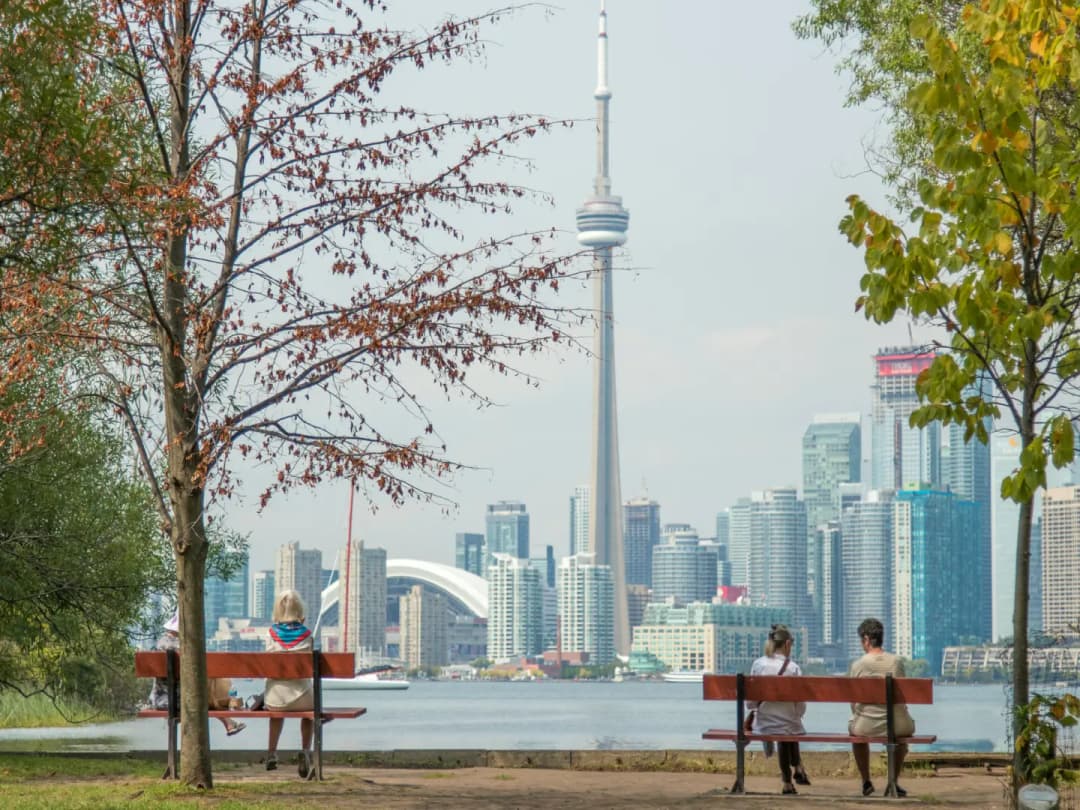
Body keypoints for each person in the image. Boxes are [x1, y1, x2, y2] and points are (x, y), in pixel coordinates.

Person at [147, 612, 246, 736]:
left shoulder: (159, 645)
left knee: (203, 694)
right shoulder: (186, 647)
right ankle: (229, 722)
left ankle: (229, 723)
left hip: (159, 701)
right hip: (183, 701)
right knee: (206, 695)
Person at [849, 617, 915, 797]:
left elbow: (853, 703)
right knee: (901, 733)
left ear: (867, 640)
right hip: (898, 724)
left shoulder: (858, 665)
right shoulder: (896, 662)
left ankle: (866, 781)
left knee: (855, 732)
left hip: (867, 725)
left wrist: (859, 715)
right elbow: (903, 697)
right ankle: (892, 781)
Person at [747, 624, 810, 795]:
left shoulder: (758, 664)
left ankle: (789, 780)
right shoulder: (794, 668)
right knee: (790, 727)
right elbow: (800, 705)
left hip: (764, 723)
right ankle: (795, 769)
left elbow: (751, 703)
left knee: (786, 728)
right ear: (787, 644)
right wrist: (797, 715)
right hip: (789, 724)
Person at [264, 589, 315, 778]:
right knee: (309, 715)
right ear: (300, 611)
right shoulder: (307, 635)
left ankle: (271, 753)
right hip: (303, 698)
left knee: (276, 711)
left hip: (275, 698)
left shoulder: (270, 634)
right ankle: (305, 750)